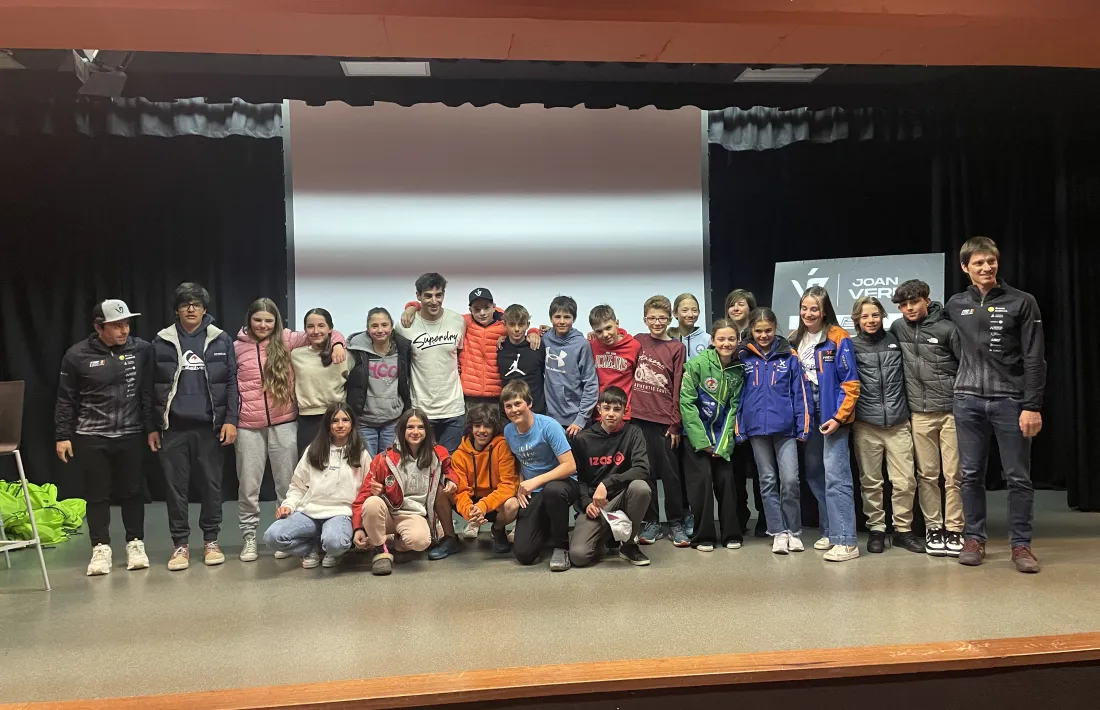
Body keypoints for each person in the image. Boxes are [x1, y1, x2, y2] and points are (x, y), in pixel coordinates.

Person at [945, 237, 1046, 573]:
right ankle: (974, 538)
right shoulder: (956, 304)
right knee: (970, 474)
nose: (986, 268)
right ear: (965, 268)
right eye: (978, 263)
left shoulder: (1022, 301)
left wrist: (1032, 404)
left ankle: (1021, 545)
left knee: (1018, 477)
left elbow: (1035, 357)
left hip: (1010, 401)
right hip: (967, 400)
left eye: (991, 262)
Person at [234, 297, 347, 563]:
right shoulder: (236, 346)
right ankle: (249, 537)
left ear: (277, 322)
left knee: (288, 485)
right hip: (248, 426)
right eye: (258, 320)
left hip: (284, 422)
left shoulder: (287, 340)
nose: (263, 325)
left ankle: (288, 536)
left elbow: (322, 332)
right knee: (248, 486)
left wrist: (339, 341)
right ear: (249, 321)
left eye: (268, 320)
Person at [55, 299, 155, 576]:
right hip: (91, 436)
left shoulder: (142, 349)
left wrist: (151, 428)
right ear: (99, 327)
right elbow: (66, 399)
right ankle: (100, 548)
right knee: (97, 495)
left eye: (126, 324)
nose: (124, 330)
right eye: (117, 325)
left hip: (131, 434)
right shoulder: (76, 355)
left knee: (133, 492)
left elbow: (148, 392)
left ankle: (135, 543)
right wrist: (62, 435)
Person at [151, 282, 238, 571]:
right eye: (186, 304)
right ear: (177, 310)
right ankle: (180, 545)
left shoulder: (220, 339)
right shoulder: (162, 340)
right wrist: (153, 426)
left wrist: (231, 420)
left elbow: (231, 383)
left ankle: (211, 540)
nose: (191, 309)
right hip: (173, 429)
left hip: (210, 428)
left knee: (212, 487)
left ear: (204, 309)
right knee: (176, 490)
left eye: (197, 304)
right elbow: (150, 387)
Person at [890, 279, 965, 557]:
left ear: (926, 299)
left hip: (951, 412)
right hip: (919, 413)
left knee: (953, 475)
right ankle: (934, 527)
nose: (909, 308)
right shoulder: (898, 328)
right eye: (903, 305)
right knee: (927, 475)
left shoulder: (947, 328)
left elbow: (965, 366)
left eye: (914, 302)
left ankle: (955, 528)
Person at [790, 286, 861, 562]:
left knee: (837, 475)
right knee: (815, 473)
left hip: (831, 412)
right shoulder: (795, 339)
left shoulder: (837, 337)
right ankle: (831, 531)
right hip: (807, 412)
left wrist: (838, 417)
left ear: (824, 311)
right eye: (804, 308)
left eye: (814, 309)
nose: (808, 313)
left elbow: (851, 383)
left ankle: (847, 541)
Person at [850, 297, 925, 555]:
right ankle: (877, 528)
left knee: (905, 481)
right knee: (871, 482)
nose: (870, 320)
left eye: (874, 315)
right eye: (864, 316)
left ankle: (903, 530)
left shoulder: (896, 339)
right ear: (857, 320)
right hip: (866, 424)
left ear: (882, 315)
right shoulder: (851, 346)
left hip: (898, 422)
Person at [734, 308, 810, 555]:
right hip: (756, 429)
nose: (763, 335)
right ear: (751, 331)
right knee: (767, 481)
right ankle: (777, 532)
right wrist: (739, 427)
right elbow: (737, 396)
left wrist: (803, 426)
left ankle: (793, 531)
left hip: (786, 429)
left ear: (775, 327)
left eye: (768, 330)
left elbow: (801, 394)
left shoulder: (789, 356)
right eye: (758, 331)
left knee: (790, 481)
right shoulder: (743, 356)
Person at [351, 408, 458, 575]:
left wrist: (451, 480)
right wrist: (358, 527)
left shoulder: (437, 454)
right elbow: (362, 496)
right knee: (371, 502)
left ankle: (394, 542)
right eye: (410, 427)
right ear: (402, 430)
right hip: (387, 514)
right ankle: (382, 551)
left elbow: (450, 471)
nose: (415, 432)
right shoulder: (384, 459)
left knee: (421, 541)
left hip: (413, 515)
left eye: (420, 427)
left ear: (427, 430)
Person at [263, 403, 366, 569]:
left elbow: (366, 491)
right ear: (327, 425)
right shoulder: (314, 450)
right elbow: (298, 486)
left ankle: (333, 550)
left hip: (340, 514)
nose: (340, 425)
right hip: (309, 513)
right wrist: (288, 506)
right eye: (335, 421)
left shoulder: (360, 453)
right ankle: (310, 550)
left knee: (335, 542)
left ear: (352, 423)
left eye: (345, 420)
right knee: (272, 537)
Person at [679, 319, 744, 551]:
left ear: (737, 340)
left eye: (731, 339)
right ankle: (703, 536)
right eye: (721, 339)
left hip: (721, 440)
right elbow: (686, 404)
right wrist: (703, 442)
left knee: (727, 483)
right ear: (713, 340)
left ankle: (731, 534)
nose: (726, 343)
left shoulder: (739, 370)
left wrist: (723, 444)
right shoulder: (696, 365)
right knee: (702, 485)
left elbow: (733, 409)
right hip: (696, 439)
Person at [569, 387, 652, 567]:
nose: (611, 414)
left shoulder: (633, 433)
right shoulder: (583, 438)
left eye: (617, 409)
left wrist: (607, 483)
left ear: (625, 411)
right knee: (579, 556)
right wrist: (586, 503)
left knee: (641, 488)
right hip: (596, 504)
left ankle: (628, 545)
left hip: (622, 498)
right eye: (607, 408)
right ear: (599, 409)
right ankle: (605, 535)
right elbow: (578, 478)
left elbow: (643, 468)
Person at [630, 295, 688, 547]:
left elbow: (677, 387)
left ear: (670, 319)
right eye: (652, 318)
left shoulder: (677, 347)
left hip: (665, 421)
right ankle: (651, 522)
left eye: (662, 318)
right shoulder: (637, 341)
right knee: (647, 472)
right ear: (644, 319)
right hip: (638, 418)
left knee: (671, 474)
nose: (656, 322)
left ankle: (676, 521)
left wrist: (675, 423)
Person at [502, 380, 578, 570]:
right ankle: (547, 528)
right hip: (533, 490)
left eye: (518, 404)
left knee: (552, 491)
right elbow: (519, 461)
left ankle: (562, 546)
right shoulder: (509, 431)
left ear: (529, 403)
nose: (514, 410)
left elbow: (570, 466)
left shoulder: (548, 426)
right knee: (524, 554)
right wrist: (521, 486)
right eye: (508, 406)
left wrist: (534, 481)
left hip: (562, 484)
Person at [429, 403, 518, 557]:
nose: (482, 431)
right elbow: (461, 490)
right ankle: (450, 538)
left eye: (487, 427)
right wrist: (470, 513)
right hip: (471, 504)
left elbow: (508, 485)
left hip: (494, 503)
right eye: (477, 426)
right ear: (471, 428)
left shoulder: (502, 447)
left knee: (513, 504)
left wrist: (483, 506)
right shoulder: (459, 455)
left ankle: (498, 530)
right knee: (441, 489)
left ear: (494, 429)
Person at [394, 273, 466, 452]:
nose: (434, 301)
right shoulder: (404, 326)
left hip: (454, 409)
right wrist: (411, 308)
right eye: (428, 296)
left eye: (438, 295)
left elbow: (492, 316)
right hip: (421, 410)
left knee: (450, 465)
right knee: (423, 464)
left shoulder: (458, 321)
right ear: (418, 296)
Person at [724, 288, 766, 538]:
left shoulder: (761, 336)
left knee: (762, 471)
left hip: (758, 413)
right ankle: (739, 516)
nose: (736, 309)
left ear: (751, 308)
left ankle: (764, 517)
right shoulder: (723, 335)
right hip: (731, 414)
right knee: (736, 471)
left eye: (741, 304)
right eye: (732, 305)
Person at [345, 307, 412, 458]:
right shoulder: (356, 350)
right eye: (374, 326)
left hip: (392, 421)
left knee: (388, 466)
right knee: (367, 467)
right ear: (367, 329)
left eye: (384, 325)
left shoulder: (402, 349)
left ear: (391, 326)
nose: (380, 330)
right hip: (364, 422)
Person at [291, 308, 349, 456]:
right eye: (310, 326)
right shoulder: (296, 355)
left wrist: (337, 345)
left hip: (337, 417)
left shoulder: (345, 355)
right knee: (310, 466)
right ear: (304, 329)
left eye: (321, 325)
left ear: (330, 328)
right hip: (307, 419)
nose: (316, 331)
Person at [542, 295, 599, 439]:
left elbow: (591, 384)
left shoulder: (581, 344)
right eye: (557, 317)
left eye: (567, 317)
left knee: (575, 461)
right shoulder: (545, 339)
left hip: (574, 422)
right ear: (550, 318)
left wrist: (581, 420)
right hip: (549, 418)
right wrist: (532, 333)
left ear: (573, 319)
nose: (562, 321)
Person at [587, 304, 641, 414]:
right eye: (599, 331)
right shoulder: (591, 345)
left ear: (617, 323)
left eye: (608, 328)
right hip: (598, 413)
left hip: (623, 413)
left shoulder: (634, 346)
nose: (605, 334)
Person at [497, 304, 547, 414]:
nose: (516, 329)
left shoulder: (538, 346)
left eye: (521, 324)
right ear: (505, 324)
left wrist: (535, 332)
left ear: (527, 324)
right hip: (509, 413)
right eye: (512, 324)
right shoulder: (500, 347)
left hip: (536, 411)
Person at [668, 293, 710, 358]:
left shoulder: (707, 339)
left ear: (699, 312)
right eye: (685, 310)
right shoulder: (668, 337)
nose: (690, 315)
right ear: (675, 313)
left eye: (694, 310)